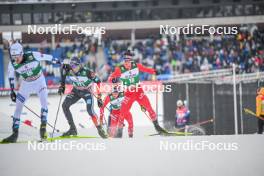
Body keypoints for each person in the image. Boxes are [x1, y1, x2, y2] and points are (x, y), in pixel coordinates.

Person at [2, 42, 58, 143]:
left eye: (17, 56)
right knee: (18, 107)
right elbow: (11, 77)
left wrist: (61, 63)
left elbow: (49, 57)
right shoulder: (12, 63)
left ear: (22, 53)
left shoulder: (32, 55)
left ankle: (43, 130)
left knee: (44, 102)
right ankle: (15, 134)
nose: (16, 59)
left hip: (39, 82)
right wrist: (12, 91)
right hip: (26, 84)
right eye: (13, 56)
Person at [108, 50, 167, 137]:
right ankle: (119, 133)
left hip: (139, 91)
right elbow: (111, 77)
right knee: (122, 113)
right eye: (125, 60)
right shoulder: (120, 69)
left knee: (149, 108)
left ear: (131, 60)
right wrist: (113, 80)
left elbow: (147, 69)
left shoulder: (136, 65)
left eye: (128, 60)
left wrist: (155, 71)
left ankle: (157, 127)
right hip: (128, 94)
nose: (127, 62)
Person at [58, 57, 108, 138]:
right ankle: (72, 129)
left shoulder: (87, 72)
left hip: (87, 91)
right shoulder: (69, 69)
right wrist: (62, 86)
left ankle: (100, 128)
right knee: (64, 106)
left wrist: (99, 97)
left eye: (74, 66)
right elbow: (63, 73)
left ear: (79, 65)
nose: (73, 68)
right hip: (76, 91)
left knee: (90, 111)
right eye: (71, 66)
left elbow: (98, 82)